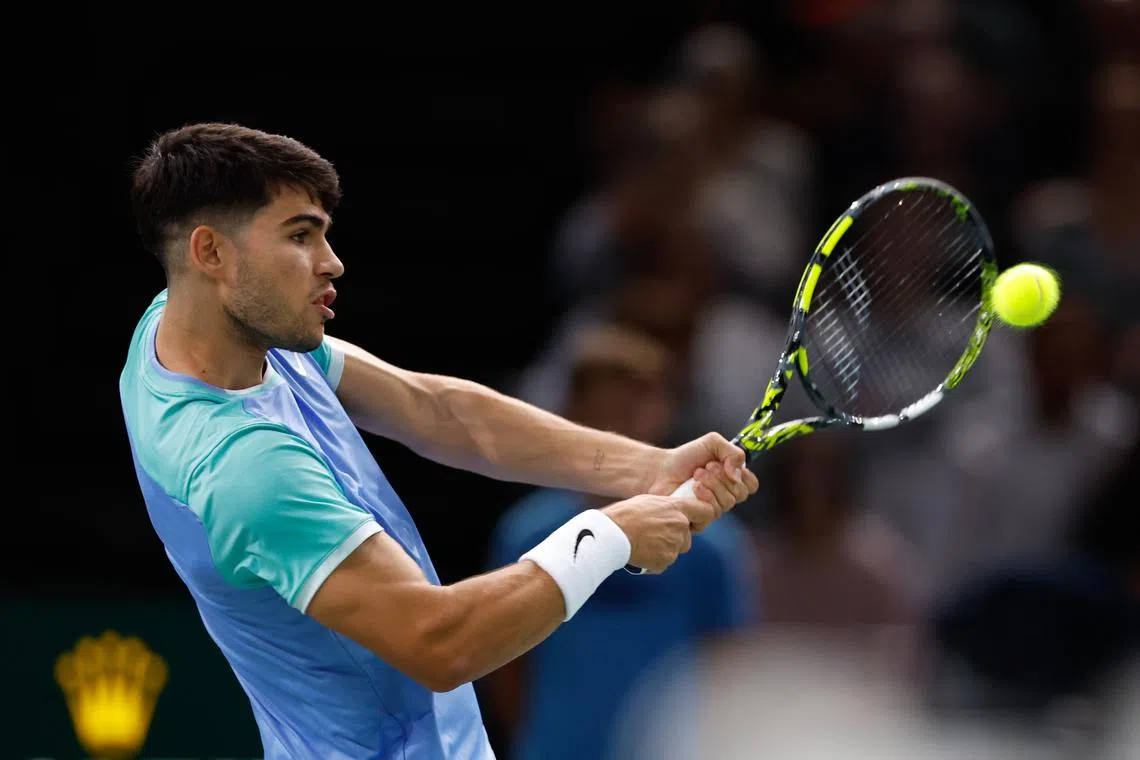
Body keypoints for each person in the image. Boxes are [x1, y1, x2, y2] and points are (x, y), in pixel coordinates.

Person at [117, 122, 759, 760]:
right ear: (212, 253)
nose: (332, 262)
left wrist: (648, 467)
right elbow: (439, 642)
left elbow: (438, 411)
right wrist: (608, 536)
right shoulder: (245, 468)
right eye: (300, 235)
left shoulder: (197, 328)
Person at [484, 324, 758, 760]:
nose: (619, 428)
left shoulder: (714, 549)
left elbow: (726, 672)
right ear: (572, 412)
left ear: (663, 412)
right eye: (605, 413)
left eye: (635, 411)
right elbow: (503, 667)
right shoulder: (526, 532)